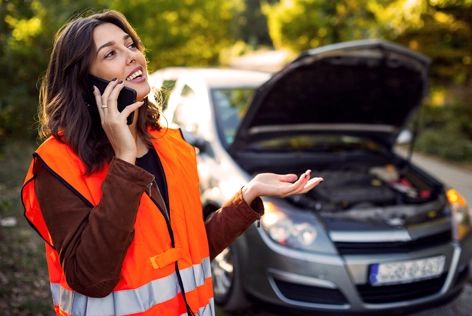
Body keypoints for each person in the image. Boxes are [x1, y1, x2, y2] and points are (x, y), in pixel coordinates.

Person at [21, 10, 323, 316]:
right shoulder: (57, 165)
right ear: (86, 84)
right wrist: (124, 161)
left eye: (130, 45)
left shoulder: (172, 145)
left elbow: (191, 250)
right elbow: (91, 277)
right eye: (111, 53)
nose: (131, 56)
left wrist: (248, 196)